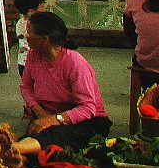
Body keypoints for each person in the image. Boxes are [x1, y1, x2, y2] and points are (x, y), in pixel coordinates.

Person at [13, 11, 110, 156]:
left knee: (53, 136)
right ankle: (19, 152)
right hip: (47, 116)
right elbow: (25, 87)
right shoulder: (33, 55)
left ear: (45, 39)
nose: (26, 37)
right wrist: (40, 113)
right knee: (39, 136)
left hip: (85, 121)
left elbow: (88, 108)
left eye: (30, 33)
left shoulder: (75, 63)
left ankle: (17, 150)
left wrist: (55, 119)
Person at [13, 0, 47, 73]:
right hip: (31, 64)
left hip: (23, 62)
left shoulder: (19, 23)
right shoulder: (31, 25)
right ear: (31, 11)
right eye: (42, 8)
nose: (44, 11)